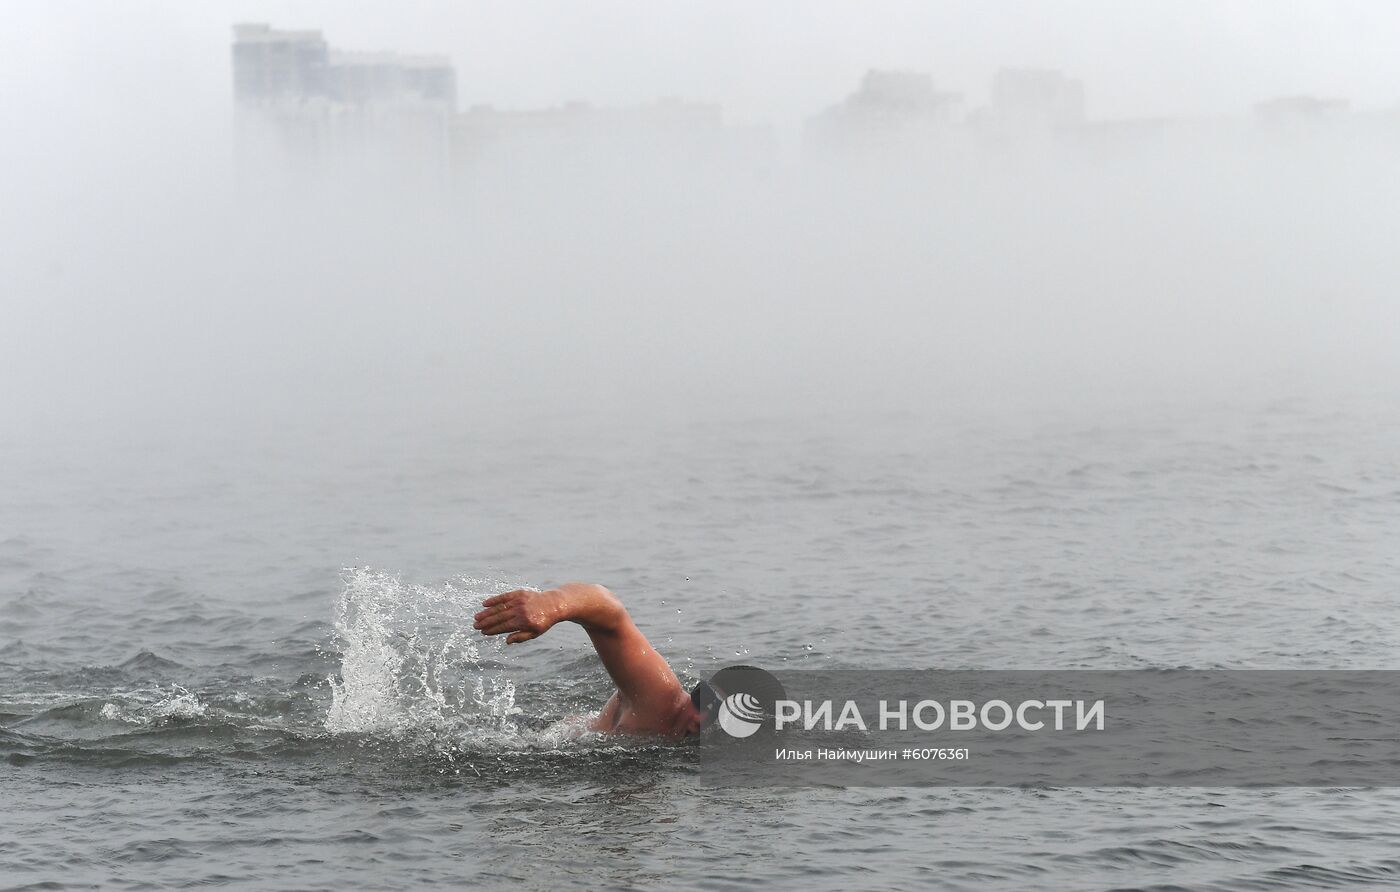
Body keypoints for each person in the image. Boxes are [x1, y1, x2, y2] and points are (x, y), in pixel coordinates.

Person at [473, 583, 708, 738]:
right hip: (542, 740)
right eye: (703, 715)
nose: (697, 724)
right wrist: (551, 604)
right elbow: (610, 611)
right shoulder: (660, 698)